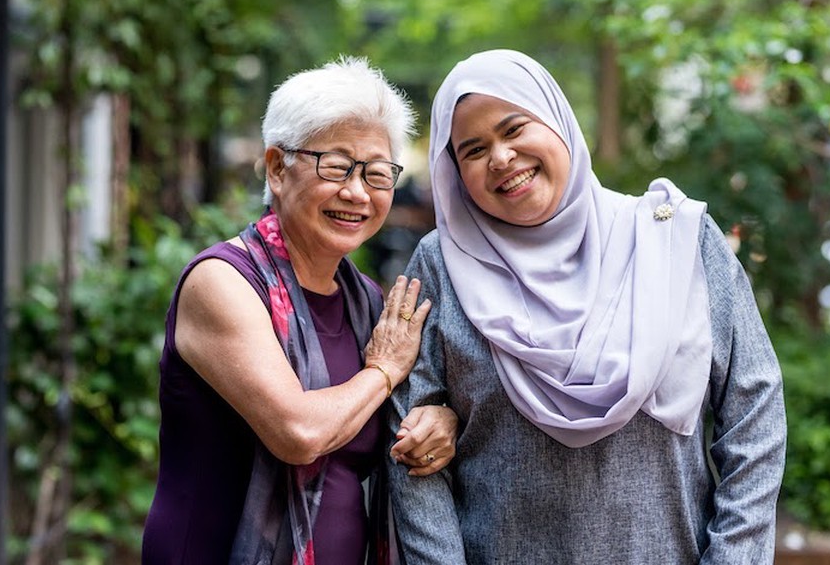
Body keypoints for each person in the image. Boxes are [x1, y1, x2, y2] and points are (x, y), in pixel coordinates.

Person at [387, 49, 787, 564]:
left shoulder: (672, 241)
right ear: (455, 173)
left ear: (557, 120)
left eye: (514, 129)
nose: (502, 158)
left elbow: (754, 415)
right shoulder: (441, 266)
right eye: (473, 150)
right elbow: (411, 449)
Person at [142, 56, 458, 565]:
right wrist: (382, 372)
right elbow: (299, 432)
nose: (357, 192)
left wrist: (439, 423)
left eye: (377, 174)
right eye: (335, 166)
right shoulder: (223, 281)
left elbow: (392, 430)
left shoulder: (370, 304)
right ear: (276, 167)